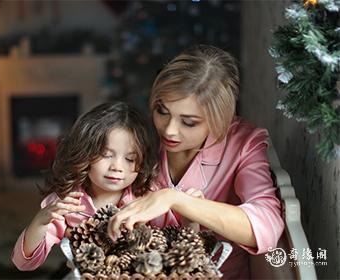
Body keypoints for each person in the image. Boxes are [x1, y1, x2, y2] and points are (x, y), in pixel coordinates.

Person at [107, 45, 284, 279]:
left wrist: (175, 199)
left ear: (220, 119)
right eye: (162, 111)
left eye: (189, 122)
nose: (169, 130)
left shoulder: (243, 144)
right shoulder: (138, 138)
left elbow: (265, 226)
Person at [11, 101, 175, 271]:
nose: (117, 167)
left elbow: (179, 249)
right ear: (85, 152)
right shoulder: (67, 202)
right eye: (106, 155)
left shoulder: (150, 198)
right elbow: (24, 263)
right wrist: (40, 221)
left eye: (130, 159)